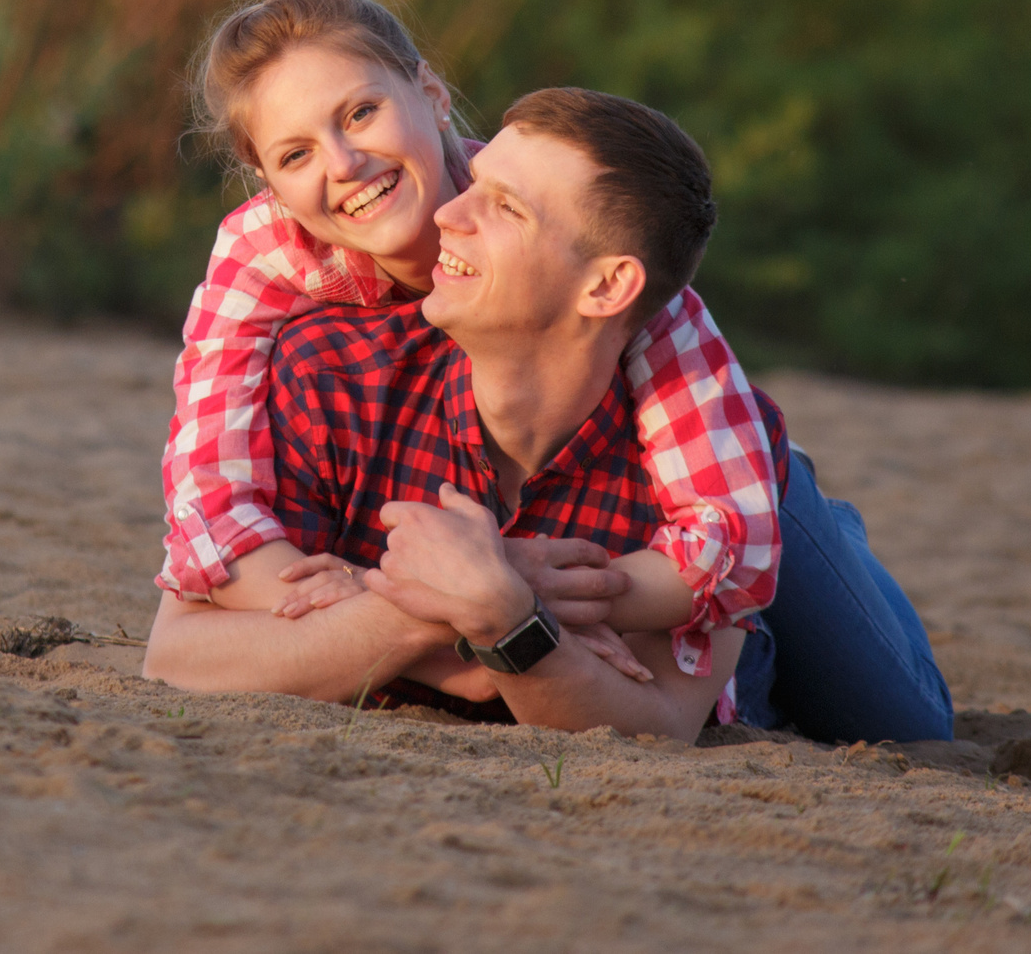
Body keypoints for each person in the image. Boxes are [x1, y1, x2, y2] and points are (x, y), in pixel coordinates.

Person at [145, 86, 951, 741]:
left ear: (606, 288)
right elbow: (178, 650)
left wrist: (503, 611)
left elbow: (660, 722)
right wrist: (432, 598)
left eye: (506, 207)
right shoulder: (327, 375)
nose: (448, 213)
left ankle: (804, 497)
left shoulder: (698, 467)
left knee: (908, 725)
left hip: (748, 572)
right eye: (475, 181)